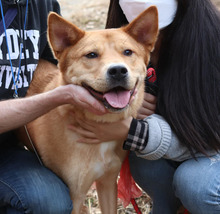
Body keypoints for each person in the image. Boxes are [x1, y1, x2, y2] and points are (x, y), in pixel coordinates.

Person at [70, 0, 220, 213]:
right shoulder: (117, 42)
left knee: (197, 184)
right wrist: (131, 106)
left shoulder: (211, 45)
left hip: (210, 155)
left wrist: (136, 131)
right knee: (145, 160)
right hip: (185, 148)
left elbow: (210, 140)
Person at [0, 0, 107, 213]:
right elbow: (58, 91)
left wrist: (112, 95)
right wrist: (57, 97)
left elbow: (59, 67)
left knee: (51, 202)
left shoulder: (42, 4)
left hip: (7, 148)